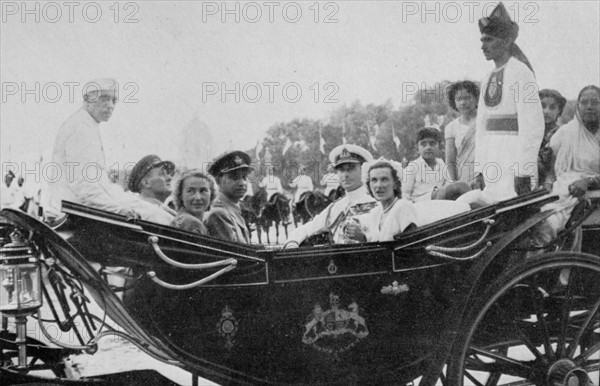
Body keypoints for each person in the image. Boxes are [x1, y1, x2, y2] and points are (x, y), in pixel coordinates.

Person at [44, 78, 173, 225]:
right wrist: (119, 210)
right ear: (88, 100)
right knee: (159, 219)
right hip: (71, 216)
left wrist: (149, 205)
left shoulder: (86, 125)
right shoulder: (81, 129)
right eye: (104, 98)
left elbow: (102, 187)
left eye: (114, 100)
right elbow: (85, 188)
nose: (110, 106)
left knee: (158, 214)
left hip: (77, 210)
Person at [470, 2, 544, 203]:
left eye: (489, 40)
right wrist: (480, 169)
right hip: (493, 164)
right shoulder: (486, 77)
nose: (483, 46)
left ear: (506, 42)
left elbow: (533, 127)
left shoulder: (521, 72)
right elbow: (481, 128)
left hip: (515, 165)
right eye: (482, 40)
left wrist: (524, 170)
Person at [534, 85, 600, 245]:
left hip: (594, 192)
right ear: (578, 106)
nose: (589, 106)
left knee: (551, 221)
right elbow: (553, 168)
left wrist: (588, 181)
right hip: (563, 188)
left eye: (595, 102)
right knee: (539, 216)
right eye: (584, 102)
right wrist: (548, 182)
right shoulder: (566, 132)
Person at [284, 144, 378, 247]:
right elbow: (308, 228)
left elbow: (388, 235)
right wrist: (292, 242)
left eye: (351, 168)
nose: (345, 174)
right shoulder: (336, 207)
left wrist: (365, 236)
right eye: (341, 170)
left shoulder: (377, 203)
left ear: (363, 170)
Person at [345, 160, 418, 242]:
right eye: (374, 180)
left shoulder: (403, 207)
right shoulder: (376, 213)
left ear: (396, 184)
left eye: (384, 179)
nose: (378, 185)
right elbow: (378, 243)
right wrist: (363, 237)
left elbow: (412, 246)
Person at [402, 127, 470, 203]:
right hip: (422, 202)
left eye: (432, 144)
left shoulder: (441, 163)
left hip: (440, 202)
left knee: (463, 188)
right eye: (423, 144)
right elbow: (405, 194)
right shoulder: (413, 167)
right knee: (460, 186)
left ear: (439, 147)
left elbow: (449, 184)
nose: (428, 147)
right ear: (417, 148)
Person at [205, 151, 254, 243]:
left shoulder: (231, 207)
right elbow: (236, 255)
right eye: (235, 177)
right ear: (218, 180)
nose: (242, 183)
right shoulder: (219, 214)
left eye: (244, 177)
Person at [445, 80, 479, 185]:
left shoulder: (485, 120)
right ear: (454, 102)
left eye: (467, 98)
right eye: (459, 99)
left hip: (487, 175)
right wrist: (456, 184)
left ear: (476, 99)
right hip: (464, 180)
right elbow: (451, 161)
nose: (463, 102)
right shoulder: (451, 127)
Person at [170, 169, 216, 235]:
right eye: (190, 191)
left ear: (211, 195)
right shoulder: (192, 223)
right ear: (180, 195)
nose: (198, 197)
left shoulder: (183, 219)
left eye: (203, 191)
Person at [538, 89, 567, 190]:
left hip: (552, 185)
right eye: (542, 106)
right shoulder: (529, 133)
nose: (546, 111)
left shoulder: (563, 133)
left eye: (552, 107)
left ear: (559, 110)